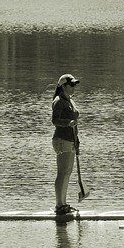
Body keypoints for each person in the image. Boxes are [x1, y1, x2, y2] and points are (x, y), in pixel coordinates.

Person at [51, 73, 80, 215]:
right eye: (71, 84)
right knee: (62, 173)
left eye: (74, 84)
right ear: (63, 86)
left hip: (71, 140)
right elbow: (55, 120)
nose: (74, 87)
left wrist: (77, 141)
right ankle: (59, 205)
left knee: (67, 172)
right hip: (61, 140)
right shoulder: (58, 101)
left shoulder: (70, 101)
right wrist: (68, 123)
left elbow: (75, 125)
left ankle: (64, 204)